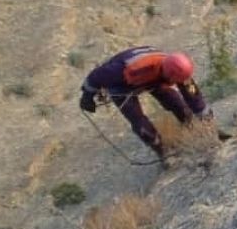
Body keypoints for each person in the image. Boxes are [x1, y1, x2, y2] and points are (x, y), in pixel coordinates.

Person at [79, 46, 211, 163]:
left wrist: (206, 120)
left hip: (154, 79)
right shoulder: (123, 69)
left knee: (178, 104)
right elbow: (96, 76)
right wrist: (87, 96)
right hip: (122, 85)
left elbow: (193, 95)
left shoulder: (178, 68)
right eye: (176, 81)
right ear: (169, 74)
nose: (180, 83)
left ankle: (194, 132)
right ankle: (163, 152)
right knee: (139, 121)